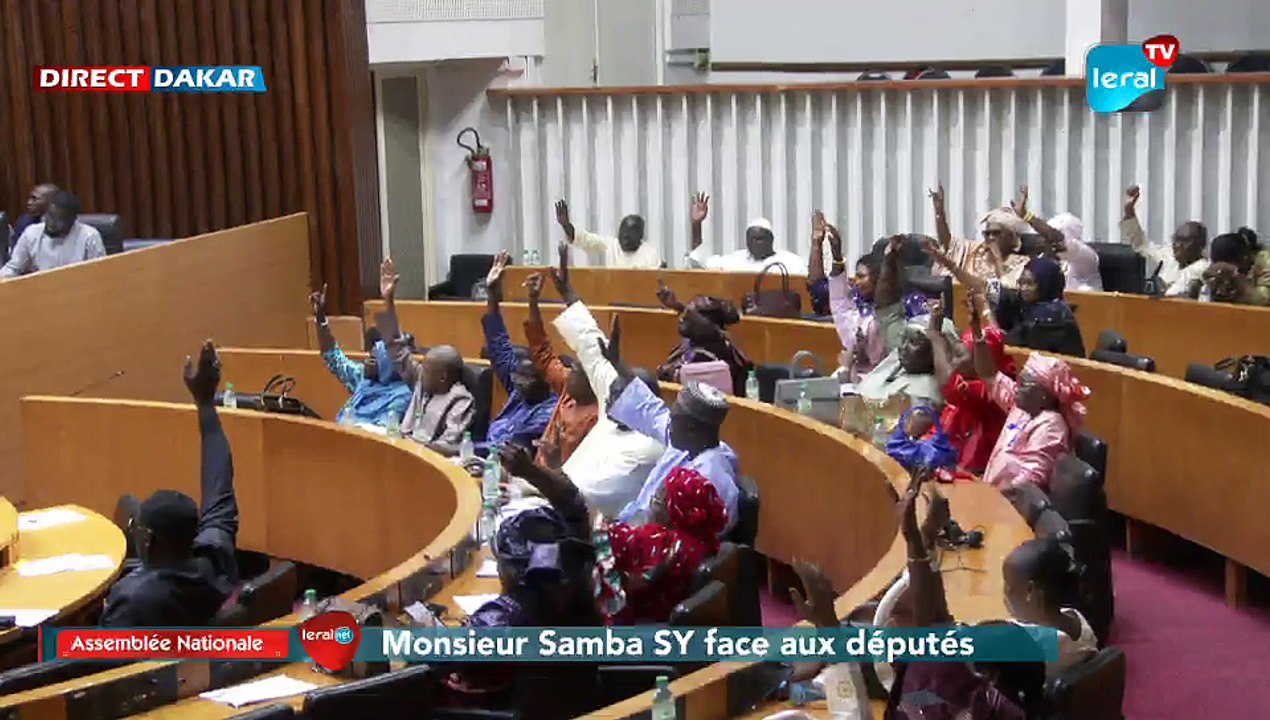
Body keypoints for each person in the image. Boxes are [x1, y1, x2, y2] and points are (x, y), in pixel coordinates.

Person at [101, 340, 239, 626]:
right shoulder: (215, 559)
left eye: (136, 529)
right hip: (196, 656)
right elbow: (219, 481)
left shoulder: (133, 601)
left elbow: (89, 662)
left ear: (148, 540)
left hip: (145, 667)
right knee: (127, 503)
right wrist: (205, 405)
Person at [548, 270, 666, 519]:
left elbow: (584, 496)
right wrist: (568, 294)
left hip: (593, 526)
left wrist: (535, 474)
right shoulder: (616, 406)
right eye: (610, 393)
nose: (608, 399)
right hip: (553, 496)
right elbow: (592, 348)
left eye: (617, 396)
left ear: (641, 404)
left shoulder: (648, 447)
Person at [604, 340, 740, 534]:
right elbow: (650, 409)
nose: (669, 423)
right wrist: (619, 365)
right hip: (634, 530)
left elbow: (685, 543)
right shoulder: (688, 443)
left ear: (691, 428)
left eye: (674, 419)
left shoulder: (711, 480)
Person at [378, 258, 475, 450]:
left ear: (442, 377)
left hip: (426, 459)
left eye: (427, 369)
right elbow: (396, 349)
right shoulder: (422, 381)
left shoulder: (460, 400)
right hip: (403, 449)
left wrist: (413, 446)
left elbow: (449, 445)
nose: (421, 370)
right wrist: (387, 301)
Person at [857, 235, 960, 410]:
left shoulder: (924, 394)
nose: (903, 347)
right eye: (904, 340)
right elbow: (886, 309)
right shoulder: (905, 347)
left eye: (913, 342)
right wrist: (889, 260)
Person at [974, 342, 1091, 492]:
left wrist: (989, 498)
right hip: (991, 494)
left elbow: (1028, 483)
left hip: (1012, 506)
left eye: (1024, 384)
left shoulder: (1052, 426)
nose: (1018, 387)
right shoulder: (1022, 407)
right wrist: (978, 336)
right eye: (1019, 380)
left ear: (1043, 395)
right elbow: (988, 374)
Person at [476, 251, 558, 455]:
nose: (518, 382)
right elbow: (499, 345)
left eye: (526, 377)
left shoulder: (548, 411)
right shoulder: (518, 390)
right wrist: (493, 295)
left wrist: (460, 450)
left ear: (545, 380)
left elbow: (511, 449)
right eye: (517, 376)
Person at [930, 293, 1017, 474]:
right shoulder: (970, 377)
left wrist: (934, 336)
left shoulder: (990, 391)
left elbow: (948, 386)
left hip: (976, 471)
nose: (953, 361)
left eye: (961, 356)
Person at [310, 284, 413, 428]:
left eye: (375, 358)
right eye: (370, 354)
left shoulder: (403, 395)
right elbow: (333, 357)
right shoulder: (363, 378)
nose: (367, 360)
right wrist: (321, 318)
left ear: (389, 365)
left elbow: (386, 431)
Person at [1002, 538, 1099, 681]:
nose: (1005, 592)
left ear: (1030, 591)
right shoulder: (1076, 617)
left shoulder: (1030, 643)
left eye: (1008, 585)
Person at [655, 282, 753, 396]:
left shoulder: (706, 358)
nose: (682, 317)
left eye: (689, 314)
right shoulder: (697, 341)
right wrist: (677, 305)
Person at [928, 184, 1029, 289]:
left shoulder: (1020, 263)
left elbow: (1007, 291)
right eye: (987, 233)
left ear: (1011, 237)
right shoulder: (973, 250)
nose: (991, 237)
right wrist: (939, 213)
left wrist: (998, 259)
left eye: (996, 233)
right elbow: (948, 243)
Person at [825, 216, 886, 383]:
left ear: (877, 278)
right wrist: (836, 255)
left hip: (882, 380)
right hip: (853, 376)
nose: (856, 282)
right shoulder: (858, 313)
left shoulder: (891, 312)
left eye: (862, 277)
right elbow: (839, 300)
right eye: (856, 277)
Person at [1120, 185, 1209, 297]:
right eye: (1176, 239)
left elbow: (1175, 293)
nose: (1177, 245)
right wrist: (1129, 211)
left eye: (1185, 241)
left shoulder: (1204, 269)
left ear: (1201, 245)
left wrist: (1159, 287)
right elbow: (1142, 245)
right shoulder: (1169, 256)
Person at [685, 193, 807, 274]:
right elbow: (700, 263)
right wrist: (697, 225)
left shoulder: (791, 263)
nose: (755, 243)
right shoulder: (735, 261)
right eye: (751, 239)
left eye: (760, 239)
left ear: (771, 240)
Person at [1, 190, 105, 278]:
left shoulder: (89, 236)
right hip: (41, 291)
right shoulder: (32, 233)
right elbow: (14, 268)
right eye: (50, 215)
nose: (51, 222)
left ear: (72, 219)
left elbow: (99, 273)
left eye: (59, 218)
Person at [553, 199, 661, 269]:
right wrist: (566, 225)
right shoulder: (611, 245)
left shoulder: (650, 254)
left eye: (629, 235)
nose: (624, 237)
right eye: (622, 232)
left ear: (640, 236)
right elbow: (584, 240)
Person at [1198, 230, 1269, 306]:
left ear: (1245, 258)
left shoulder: (1265, 262)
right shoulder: (1215, 264)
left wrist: (1238, 279)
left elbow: (1265, 300)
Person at [10, 182, 59, 253]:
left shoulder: (64, 223)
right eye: (30, 198)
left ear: (52, 202)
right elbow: (15, 252)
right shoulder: (25, 221)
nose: (29, 202)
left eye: (35, 199)